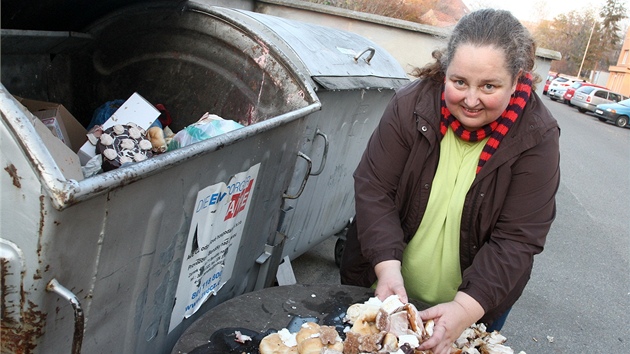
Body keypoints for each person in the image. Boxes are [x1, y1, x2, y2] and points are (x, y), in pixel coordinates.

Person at [339, 8, 560, 354]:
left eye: (489, 85)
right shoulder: (410, 105)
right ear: (445, 71)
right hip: (383, 284)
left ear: (517, 79)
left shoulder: (536, 136)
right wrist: (386, 269)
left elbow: (517, 239)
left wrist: (464, 310)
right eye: (459, 82)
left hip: (475, 302)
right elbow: (374, 188)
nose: (471, 100)